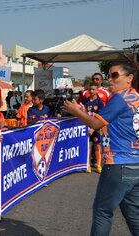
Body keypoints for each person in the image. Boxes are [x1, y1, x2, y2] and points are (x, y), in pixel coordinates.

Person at [64, 62, 139, 236]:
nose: (109, 80)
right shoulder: (135, 97)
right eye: (108, 76)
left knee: (102, 212)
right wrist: (84, 112)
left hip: (119, 164)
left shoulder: (120, 98)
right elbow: (109, 123)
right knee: (134, 214)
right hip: (135, 164)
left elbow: (96, 124)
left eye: (114, 75)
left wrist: (75, 111)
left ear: (129, 79)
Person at [81, 82, 104, 174]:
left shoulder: (99, 102)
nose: (91, 91)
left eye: (93, 89)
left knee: (97, 145)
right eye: (90, 89)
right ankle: (88, 165)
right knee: (88, 146)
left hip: (96, 128)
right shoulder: (85, 102)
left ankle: (98, 165)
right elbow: (82, 114)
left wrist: (94, 128)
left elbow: (101, 117)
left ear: (97, 90)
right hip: (86, 127)